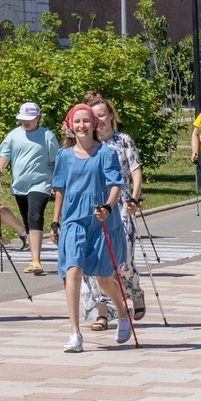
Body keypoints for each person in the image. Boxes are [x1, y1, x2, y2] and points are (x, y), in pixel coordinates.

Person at [50, 105, 133, 353]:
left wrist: (108, 207)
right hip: (74, 219)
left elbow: (115, 184)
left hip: (101, 219)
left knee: (103, 278)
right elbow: (60, 189)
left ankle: (121, 311)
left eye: (87, 121)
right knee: (72, 271)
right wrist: (55, 220)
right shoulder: (64, 156)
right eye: (77, 122)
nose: (82, 126)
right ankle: (75, 333)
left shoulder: (105, 154)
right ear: (70, 125)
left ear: (94, 125)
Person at [85, 95, 146, 330]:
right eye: (94, 116)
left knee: (123, 260)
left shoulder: (123, 140)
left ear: (111, 116)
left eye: (102, 115)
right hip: (94, 206)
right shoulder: (87, 143)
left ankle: (135, 290)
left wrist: (134, 196)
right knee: (94, 262)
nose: (98, 120)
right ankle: (103, 311)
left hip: (120, 203)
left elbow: (135, 170)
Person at [0, 102, 61, 273]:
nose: (26, 122)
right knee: (27, 220)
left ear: (38, 118)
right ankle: (33, 258)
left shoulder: (47, 135)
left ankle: (36, 260)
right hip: (20, 184)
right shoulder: (13, 135)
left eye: (30, 119)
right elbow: (4, 156)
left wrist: (56, 182)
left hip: (41, 183)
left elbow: (56, 161)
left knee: (35, 216)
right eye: (23, 119)